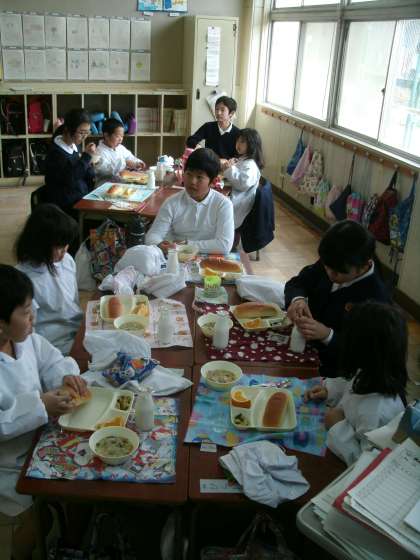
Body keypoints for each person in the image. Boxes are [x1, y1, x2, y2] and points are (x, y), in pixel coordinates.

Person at [0, 265, 86, 559]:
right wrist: (40, 405)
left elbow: (52, 360)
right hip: (8, 462)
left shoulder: (24, 341)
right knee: (39, 518)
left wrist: (65, 376)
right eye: (26, 312)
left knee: (82, 481)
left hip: (40, 439)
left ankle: (73, 541)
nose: (33, 318)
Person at [304, 301, 407, 465]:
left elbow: (364, 464)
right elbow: (349, 386)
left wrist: (338, 427)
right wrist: (329, 391)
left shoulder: (377, 413)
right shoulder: (372, 370)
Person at [285, 220, 390, 377]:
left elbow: (367, 353)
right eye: (327, 267)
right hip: (304, 347)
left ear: (364, 266)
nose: (330, 274)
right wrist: (297, 300)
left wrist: (327, 335)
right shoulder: (334, 261)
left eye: (338, 273)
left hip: (336, 371)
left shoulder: (376, 299)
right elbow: (297, 283)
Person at [15, 204, 82, 355]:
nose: (65, 250)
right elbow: (28, 334)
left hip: (77, 330)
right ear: (40, 245)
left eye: (66, 244)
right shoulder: (23, 280)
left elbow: (74, 304)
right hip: (54, 344)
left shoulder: (67, 261)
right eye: (59, 246)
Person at [145, 148, 234, 254]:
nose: (192, 181)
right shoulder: (172, 202)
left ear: (213, 182)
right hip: (176, 257)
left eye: (199, 177)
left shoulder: (223, 204)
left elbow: (224, 245)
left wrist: (187, 244)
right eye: (189, 174)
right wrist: (160, 244)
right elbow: (152, 236)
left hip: (208, 259)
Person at [44, 108, 96, 215]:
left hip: (80, 196)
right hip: (66, 205)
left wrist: (89, 165)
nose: (84, 137)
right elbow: (70, 179)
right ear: (68, 129)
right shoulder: (56, 153)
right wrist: (86, 157)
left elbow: (82, 173)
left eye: (87, 132)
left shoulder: (73, 145)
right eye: (81, 132)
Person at [223, 128, 264, 229]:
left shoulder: (251, 165)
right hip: (236, 196)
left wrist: (230, 168)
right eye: (238, 140)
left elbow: (243, 184)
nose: (238, 144)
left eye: (242, 141)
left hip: (238, 203)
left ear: (251, 145)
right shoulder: (244, 160)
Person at [186, 96, 240, 161]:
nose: (218, 113)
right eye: (216, 109)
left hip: (227, 165)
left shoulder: (237, 133)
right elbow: (191, 140)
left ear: (231, 113)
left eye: (222, 110)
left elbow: (238, 155)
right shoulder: (208, 126)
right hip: (209, 163)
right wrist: (198, 146)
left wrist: (230, 161)